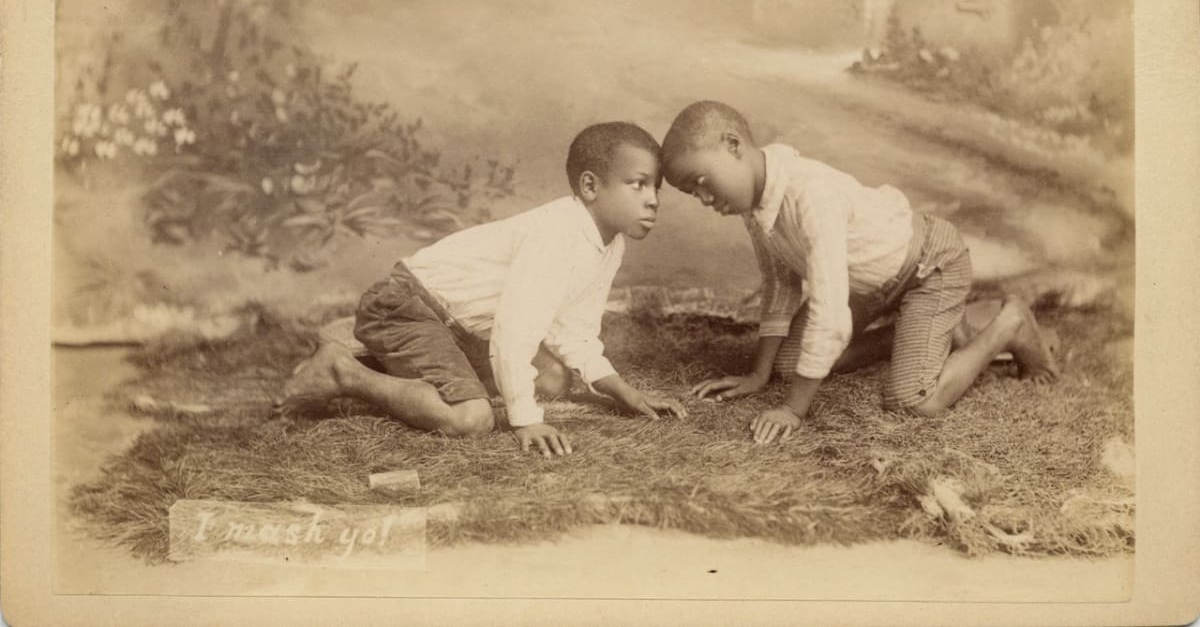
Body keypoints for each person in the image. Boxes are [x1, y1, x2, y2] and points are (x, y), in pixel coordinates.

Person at [275, 122, 686, 457]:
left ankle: (378, 362)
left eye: (656, 189)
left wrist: (623, 392)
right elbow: (514, 331)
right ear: (590, 187)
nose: (653, 201)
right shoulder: (556, 235)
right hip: (406, 304)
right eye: (638, 184)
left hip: (459, 325)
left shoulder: (609, 244)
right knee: (472, 419)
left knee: (552, 378)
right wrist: (526, 420)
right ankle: (341, 371)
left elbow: (573, 331)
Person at [659, 101, 1059, 444]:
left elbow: (830, 316)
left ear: (733, 145)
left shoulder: (810, 194)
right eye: (694, 194)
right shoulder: (756, 205)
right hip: (867, 281)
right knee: (788, 365)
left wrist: (794, 410)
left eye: (702, 181)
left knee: (912, 401)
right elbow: (781, 285)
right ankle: (919, 334)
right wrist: (758, 375)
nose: (705, 198)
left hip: (929, 265)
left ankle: (1010, 323)